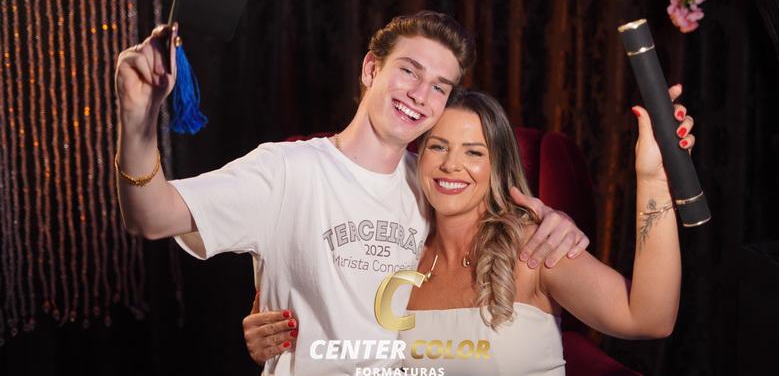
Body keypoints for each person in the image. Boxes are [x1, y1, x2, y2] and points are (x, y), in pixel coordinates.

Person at [114, 11, 590, 376]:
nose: (419, 94)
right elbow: (152, 216)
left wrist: (554, 223)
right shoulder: (287, 169)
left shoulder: (434, 184)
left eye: (438, 87)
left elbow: (499, 233)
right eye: (409, 71)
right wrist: (138, 121)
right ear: (370, 69)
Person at [244, 88, 690, 374]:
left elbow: (649, 318)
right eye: (438, 146)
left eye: (473, 152)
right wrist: (269, 336)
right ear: (417, 157)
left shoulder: (533, 247)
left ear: (498, 166)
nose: (451, 165)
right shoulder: (391, 254)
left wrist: (653, 179)